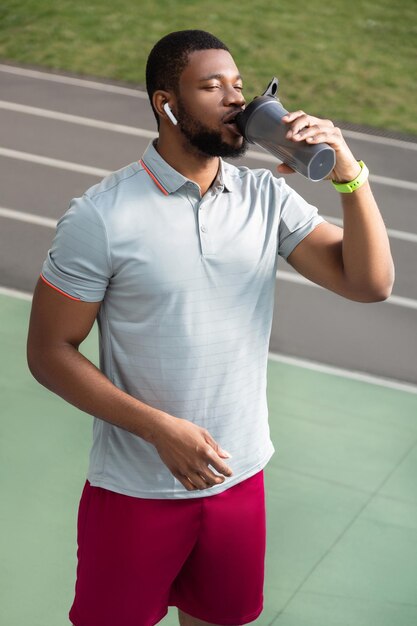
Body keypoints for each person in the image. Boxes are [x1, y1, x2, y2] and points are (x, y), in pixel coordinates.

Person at [27, 29, 394, 626]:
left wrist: (350, 176)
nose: (235, 101)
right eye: (211, 85)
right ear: (165, 103)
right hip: (135, 491)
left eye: (240, 86)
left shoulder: (266, 198)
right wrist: (159, 430)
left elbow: (369, 283)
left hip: (239, 480)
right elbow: (48, 351)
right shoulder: (100, 216)